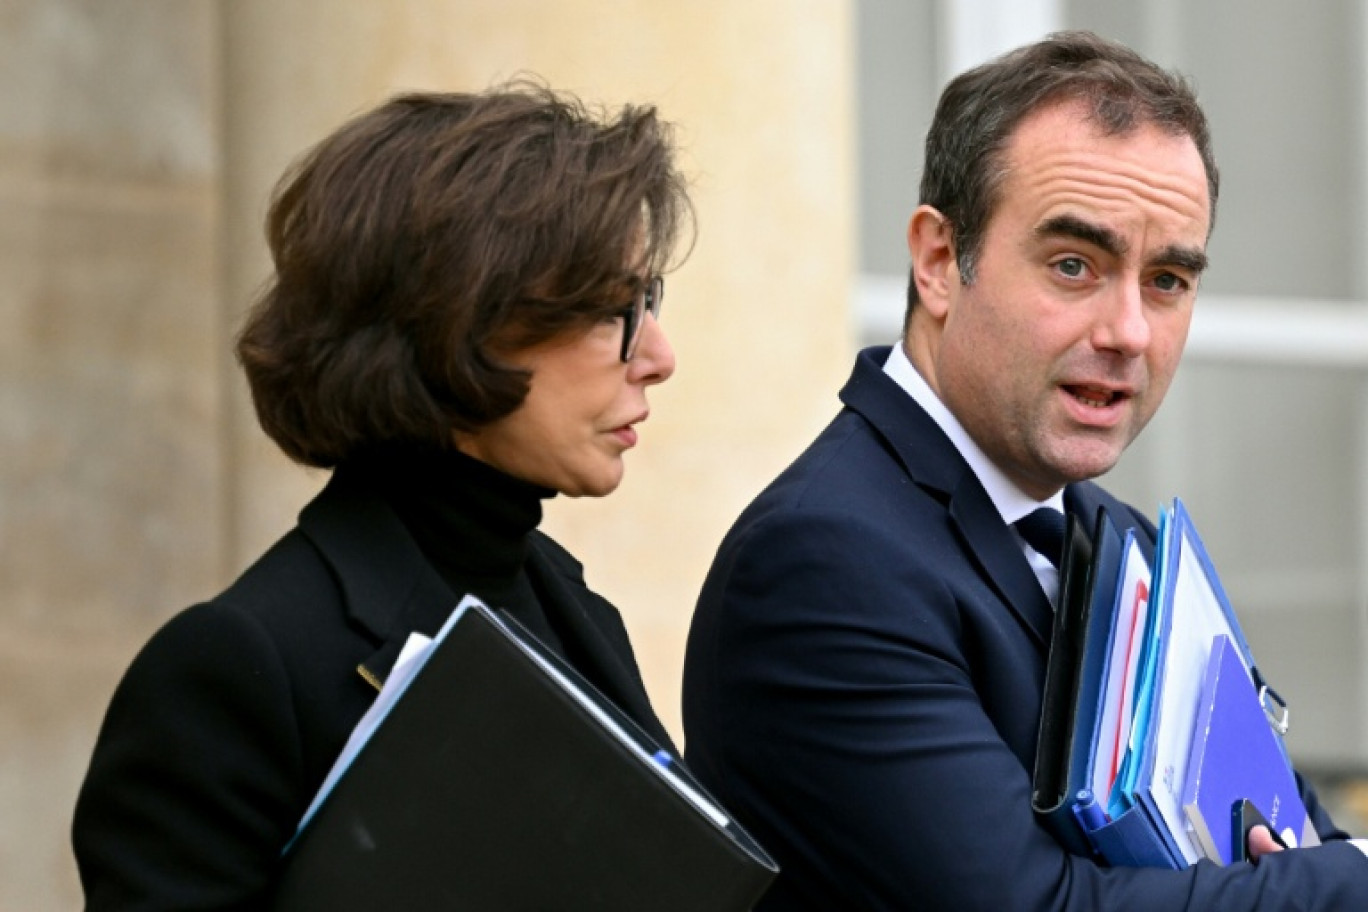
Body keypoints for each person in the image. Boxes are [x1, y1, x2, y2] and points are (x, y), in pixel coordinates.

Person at [682, 30, 1368, 910]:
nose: (1128, 331)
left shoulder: (1113, 535)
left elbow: (1288, 831)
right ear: (938, 261)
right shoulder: (822, 563)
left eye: (1166, 280)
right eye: (1074, 265)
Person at [73, 81, 691, 909]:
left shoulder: (573, 611)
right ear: (460, 318)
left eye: (649, 300)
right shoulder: (232, 672)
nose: (658, 354)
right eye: (616, 307)